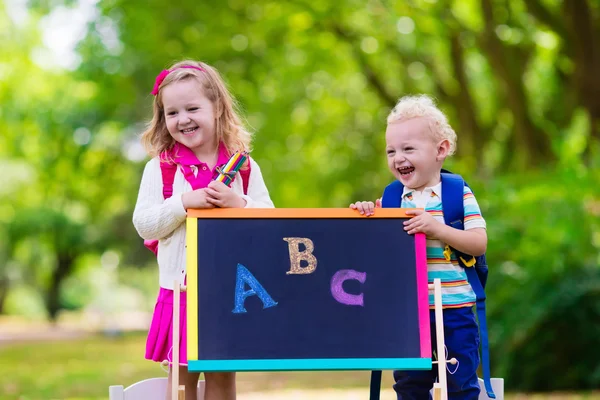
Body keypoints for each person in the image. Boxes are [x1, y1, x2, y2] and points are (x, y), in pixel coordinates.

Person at [133, 60, 275, 400]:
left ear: (217, 108)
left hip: (229, 291)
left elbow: (270, 220)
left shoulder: (243, 167)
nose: (183, 119)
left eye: (192, 108)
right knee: (181, 380)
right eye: (172, 112)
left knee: (222, 377)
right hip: (180, 293)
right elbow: (144, 224)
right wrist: (184, 202)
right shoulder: (161, 169)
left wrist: (237, 203)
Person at [350, 95, 487, 399]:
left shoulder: (457, 194)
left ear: (441, 150)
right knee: (410, 386)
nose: (398, 158)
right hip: (409, 312)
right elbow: (375, 249)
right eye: (391, 151)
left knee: (461, 382)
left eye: (408, 149)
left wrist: (437, 228)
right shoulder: (391, 199)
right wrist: (366, 213)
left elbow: (478, 243)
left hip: (455, 309)